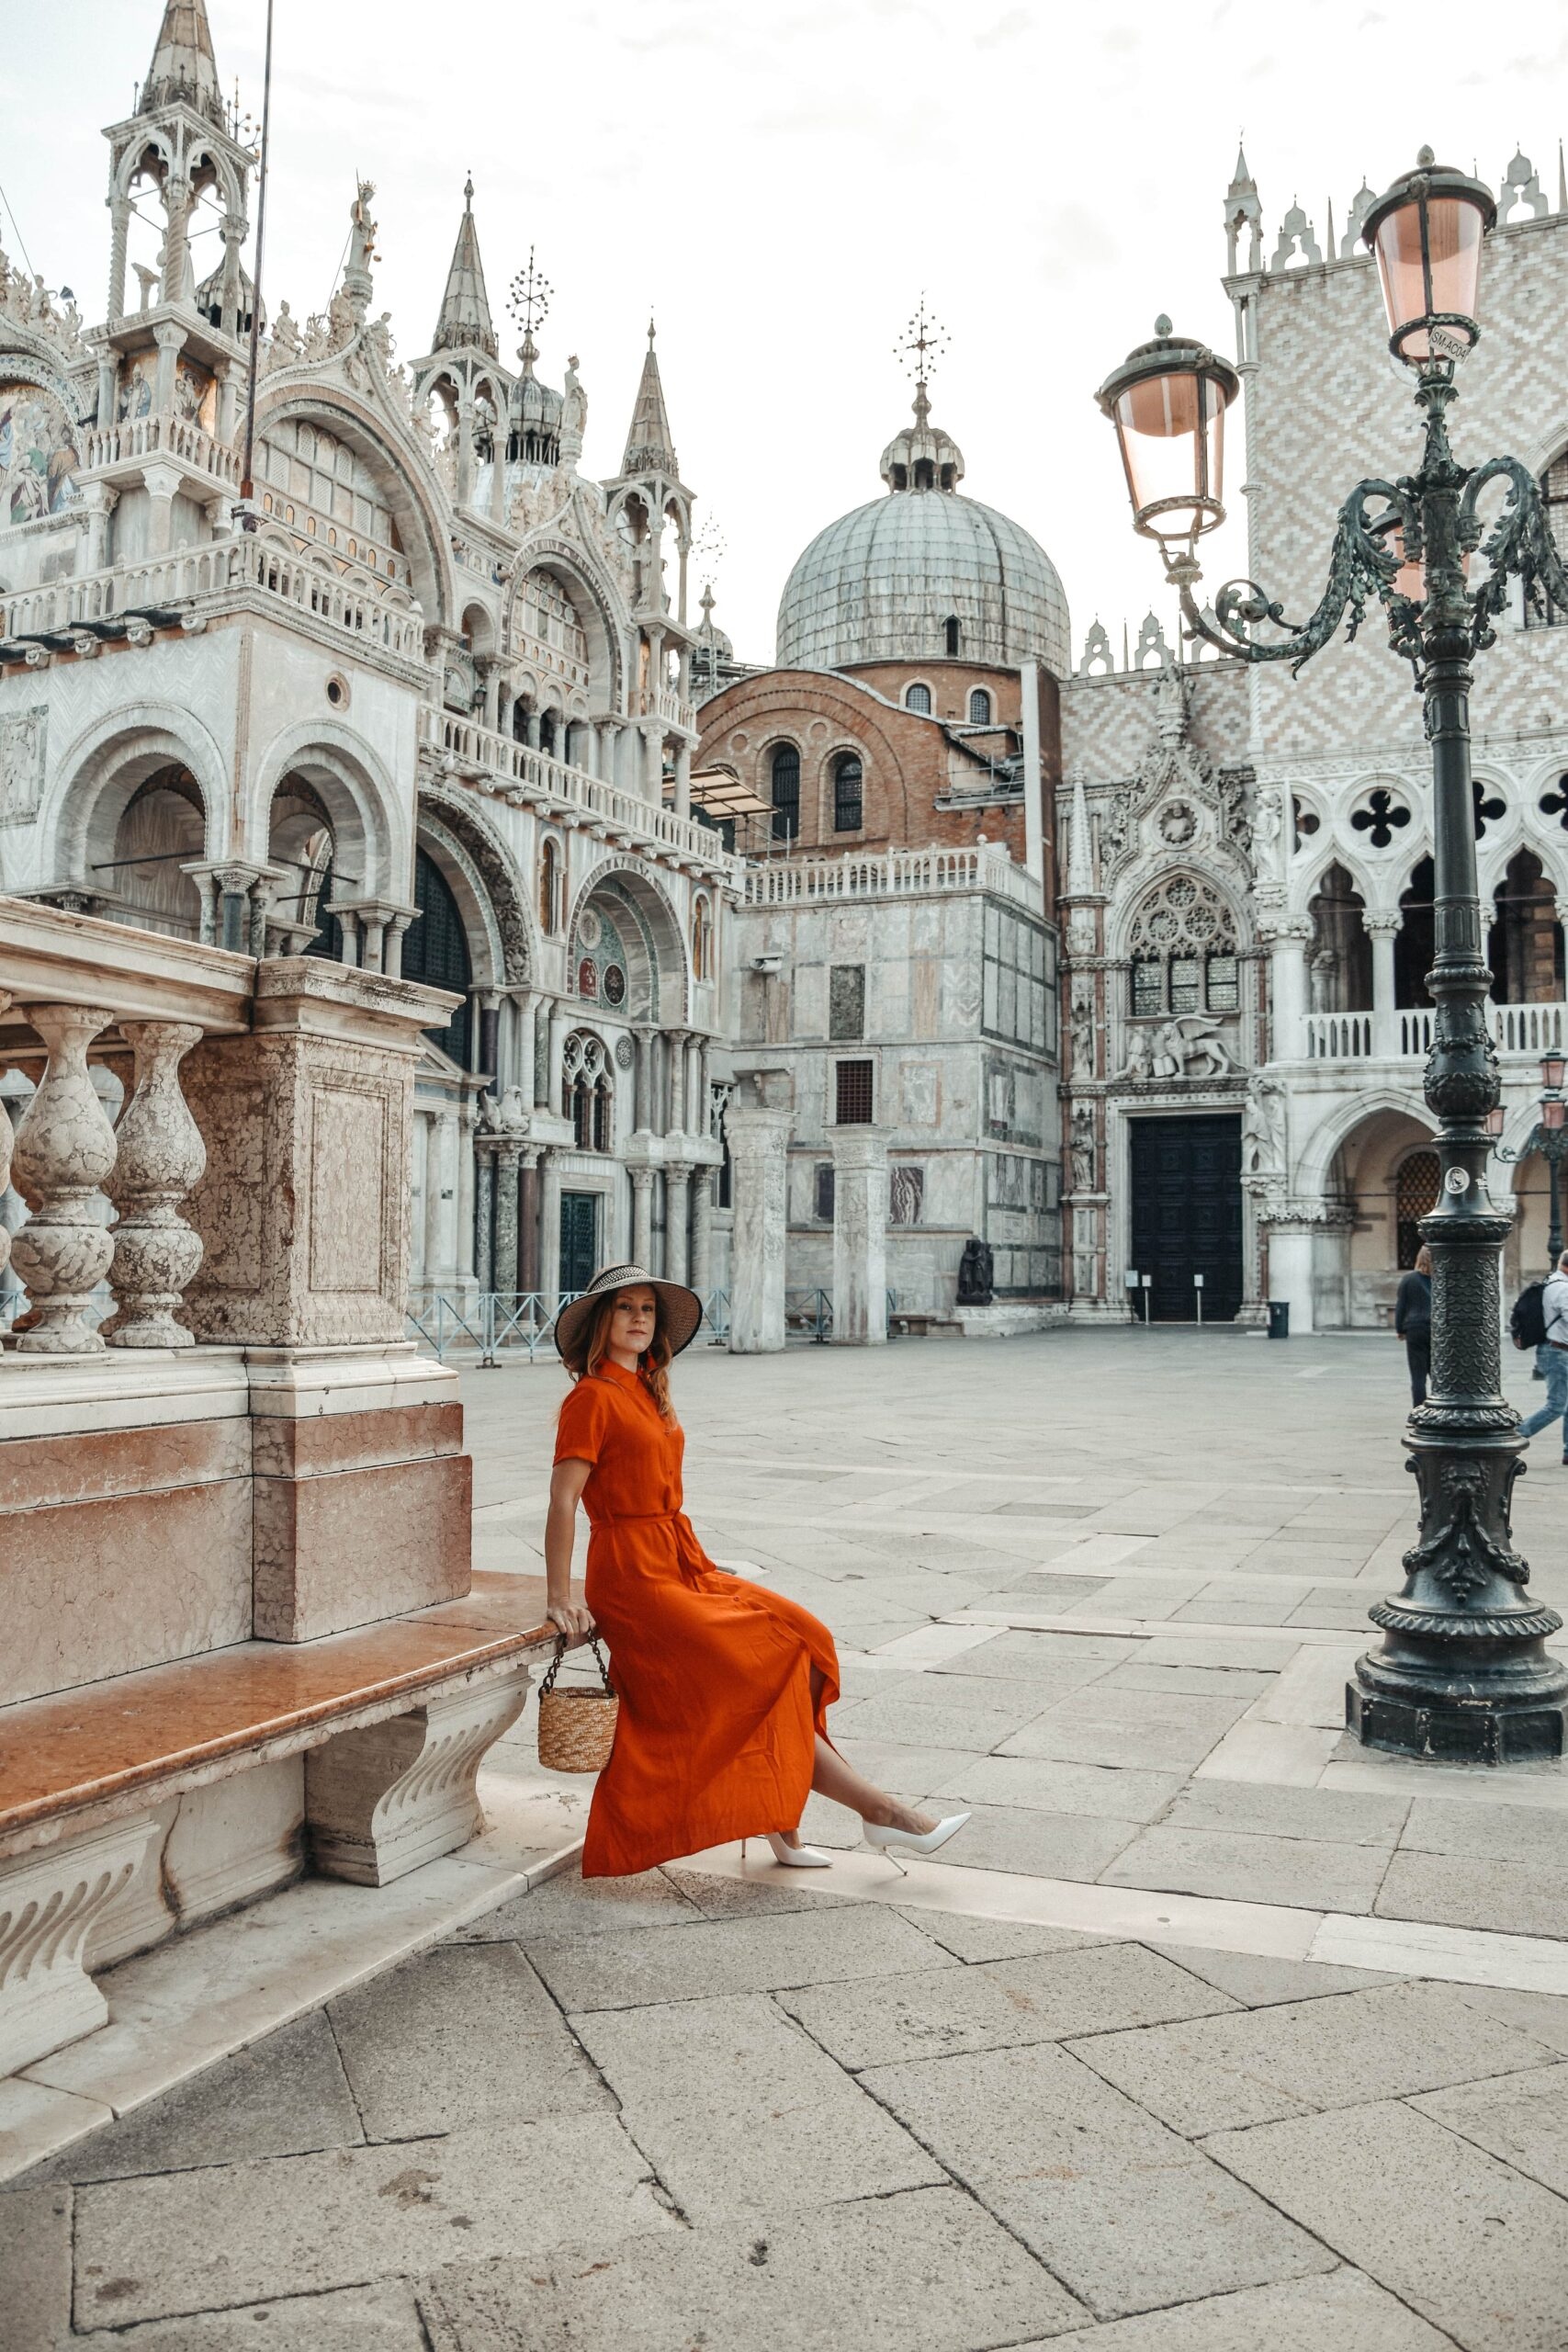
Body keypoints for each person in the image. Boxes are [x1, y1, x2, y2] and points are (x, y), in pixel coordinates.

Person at [545, 1262, 970, 1878]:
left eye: (647, 1310)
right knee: (758, 1666)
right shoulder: (590, 1397)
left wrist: (691, 1557)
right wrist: (562, 1596)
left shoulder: (648, 1390)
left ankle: (783, 1821)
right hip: (632, 1574)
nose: (638, 1320)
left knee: (801, 1638)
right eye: (624, 1309)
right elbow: (562, 1498)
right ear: (600, 1323)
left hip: (677, 1556)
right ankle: (885, 1814)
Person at [1519, 1248, 1568, 1463]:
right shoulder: (1563, 1289)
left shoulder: (1550, 1283)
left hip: (1553, 1349)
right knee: (1556, 1405)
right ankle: (1516, 1434)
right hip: (1558, 1351)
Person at [1393, 1244, 1432, 1406]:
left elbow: (1401, 1306)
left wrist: (1400, 1329)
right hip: (1437, 1329)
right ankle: (1440, 1408)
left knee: (1418, 1375)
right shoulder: (1442, 1279)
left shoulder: (1409, 1279)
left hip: (1415, 1328)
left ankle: (1418, 1412)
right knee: (1438, 1374)